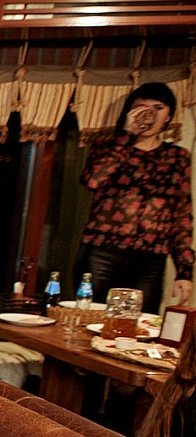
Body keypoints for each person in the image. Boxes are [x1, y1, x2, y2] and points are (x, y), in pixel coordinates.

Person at [78, 81, 193, 312]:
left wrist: (184, 271)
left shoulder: (177, 156)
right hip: (103, 251)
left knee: (141, 323)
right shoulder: (108, 148)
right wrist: (126, 137)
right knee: (92, 317)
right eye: (141, 107)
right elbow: (92, 181)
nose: (149, 114)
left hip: (150, 258)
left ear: (168, 116)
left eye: (158, 108)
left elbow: (182, 213)